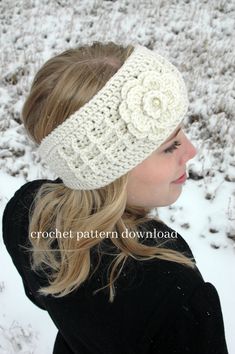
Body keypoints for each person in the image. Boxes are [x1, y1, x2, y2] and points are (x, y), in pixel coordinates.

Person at [2, 41, 228, 354]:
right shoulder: (171, 287)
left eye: (181, 133)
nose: (191, 150)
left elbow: (42, 296)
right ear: (106, 167)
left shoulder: (25, 213)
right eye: (169, 146)